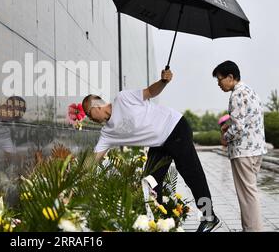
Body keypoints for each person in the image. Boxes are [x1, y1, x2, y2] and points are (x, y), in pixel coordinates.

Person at [82, 69, 221, 232]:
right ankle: (161, 223)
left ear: (96, 106)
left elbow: (149, 92)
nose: (88, 118)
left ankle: (209, 217)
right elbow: (95, 158)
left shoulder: (122, 99)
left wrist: (163, 81)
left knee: (191, 174)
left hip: (175, 127)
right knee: (150, 181)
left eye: (88, 113)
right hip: (159, 144)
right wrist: (76, 174)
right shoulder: (107, 133)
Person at [213, 60, 267, 232]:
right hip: (256, 150)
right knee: (250, 193)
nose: (218, 84)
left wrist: (225, 137)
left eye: (220, 79)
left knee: (247, 196)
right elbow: (249, 121)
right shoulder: (251, 92)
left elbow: (238, 127)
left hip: (243, 152)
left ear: (230, 77)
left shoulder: (236, 95)